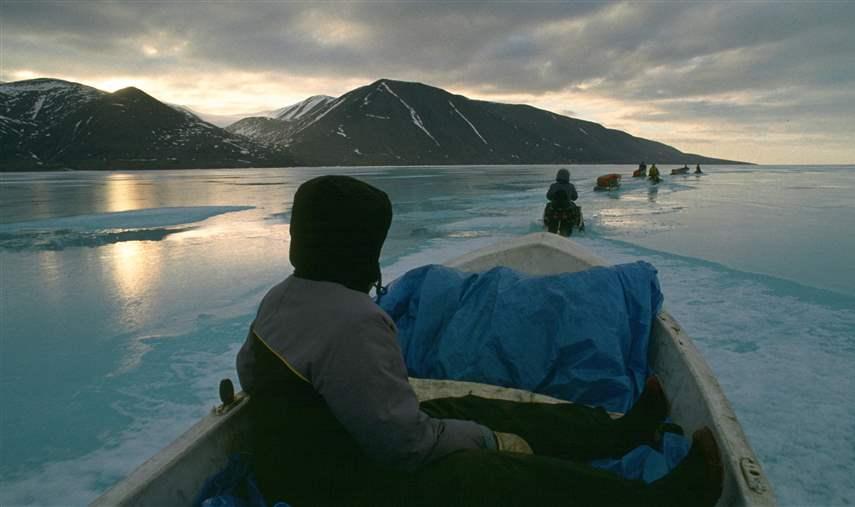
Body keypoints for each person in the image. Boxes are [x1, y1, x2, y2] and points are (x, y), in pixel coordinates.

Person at [237, 175, 723, 506]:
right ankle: (657, 502)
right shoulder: (353, 321)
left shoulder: (281, 298)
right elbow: (405, 449)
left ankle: (618, 433)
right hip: (338, 486)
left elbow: (259, 373)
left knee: (470, 407)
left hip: (323, 451)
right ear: (358, 244)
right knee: (492, 474)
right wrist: (489, 441)